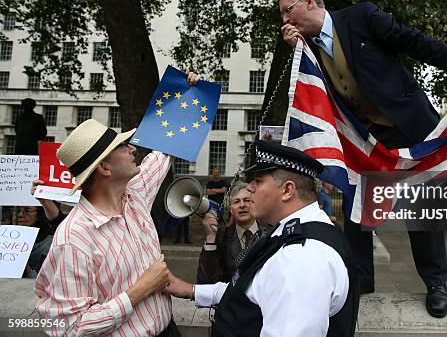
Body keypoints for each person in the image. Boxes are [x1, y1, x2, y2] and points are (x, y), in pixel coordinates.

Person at [278, 0, 447, 316]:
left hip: (408, 128)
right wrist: (294, 51)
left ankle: (436, 283)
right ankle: (362, 281)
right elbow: (303, 94)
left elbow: (413, 40)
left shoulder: (362, 17)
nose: (284, 20)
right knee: (356, 206)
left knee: (419, 204)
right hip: (363, 140)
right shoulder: (304, 50)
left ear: (308, 1)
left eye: (287, 11)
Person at [34, 71, 200, 336]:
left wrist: (185, 93)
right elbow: (69, 327)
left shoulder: (135, 194)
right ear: (104, 168)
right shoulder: (74, 238)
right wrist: (139, 291)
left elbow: (164, 149)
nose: (133, 149)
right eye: (122, 147)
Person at [166, 140, 360, 336]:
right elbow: (253, 290)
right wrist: (192, 290)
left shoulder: (300, 259)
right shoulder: (290, 233)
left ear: (287, 190)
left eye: (258, 181)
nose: (250, 188)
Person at [197, 182, 263, 284]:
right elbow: (206, 281)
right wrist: (211, 237)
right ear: (231, 210)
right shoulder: (220, 239)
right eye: (236, 202)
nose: (242, 205)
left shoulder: (272, 234)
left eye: (247, 200)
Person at [13, 206, 53, 279]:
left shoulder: (47, 244)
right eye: (17, 210)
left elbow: (45, 283)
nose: (20, 215)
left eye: (27, 210)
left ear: (39, 215)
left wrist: (26, 268)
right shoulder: (6, 238)